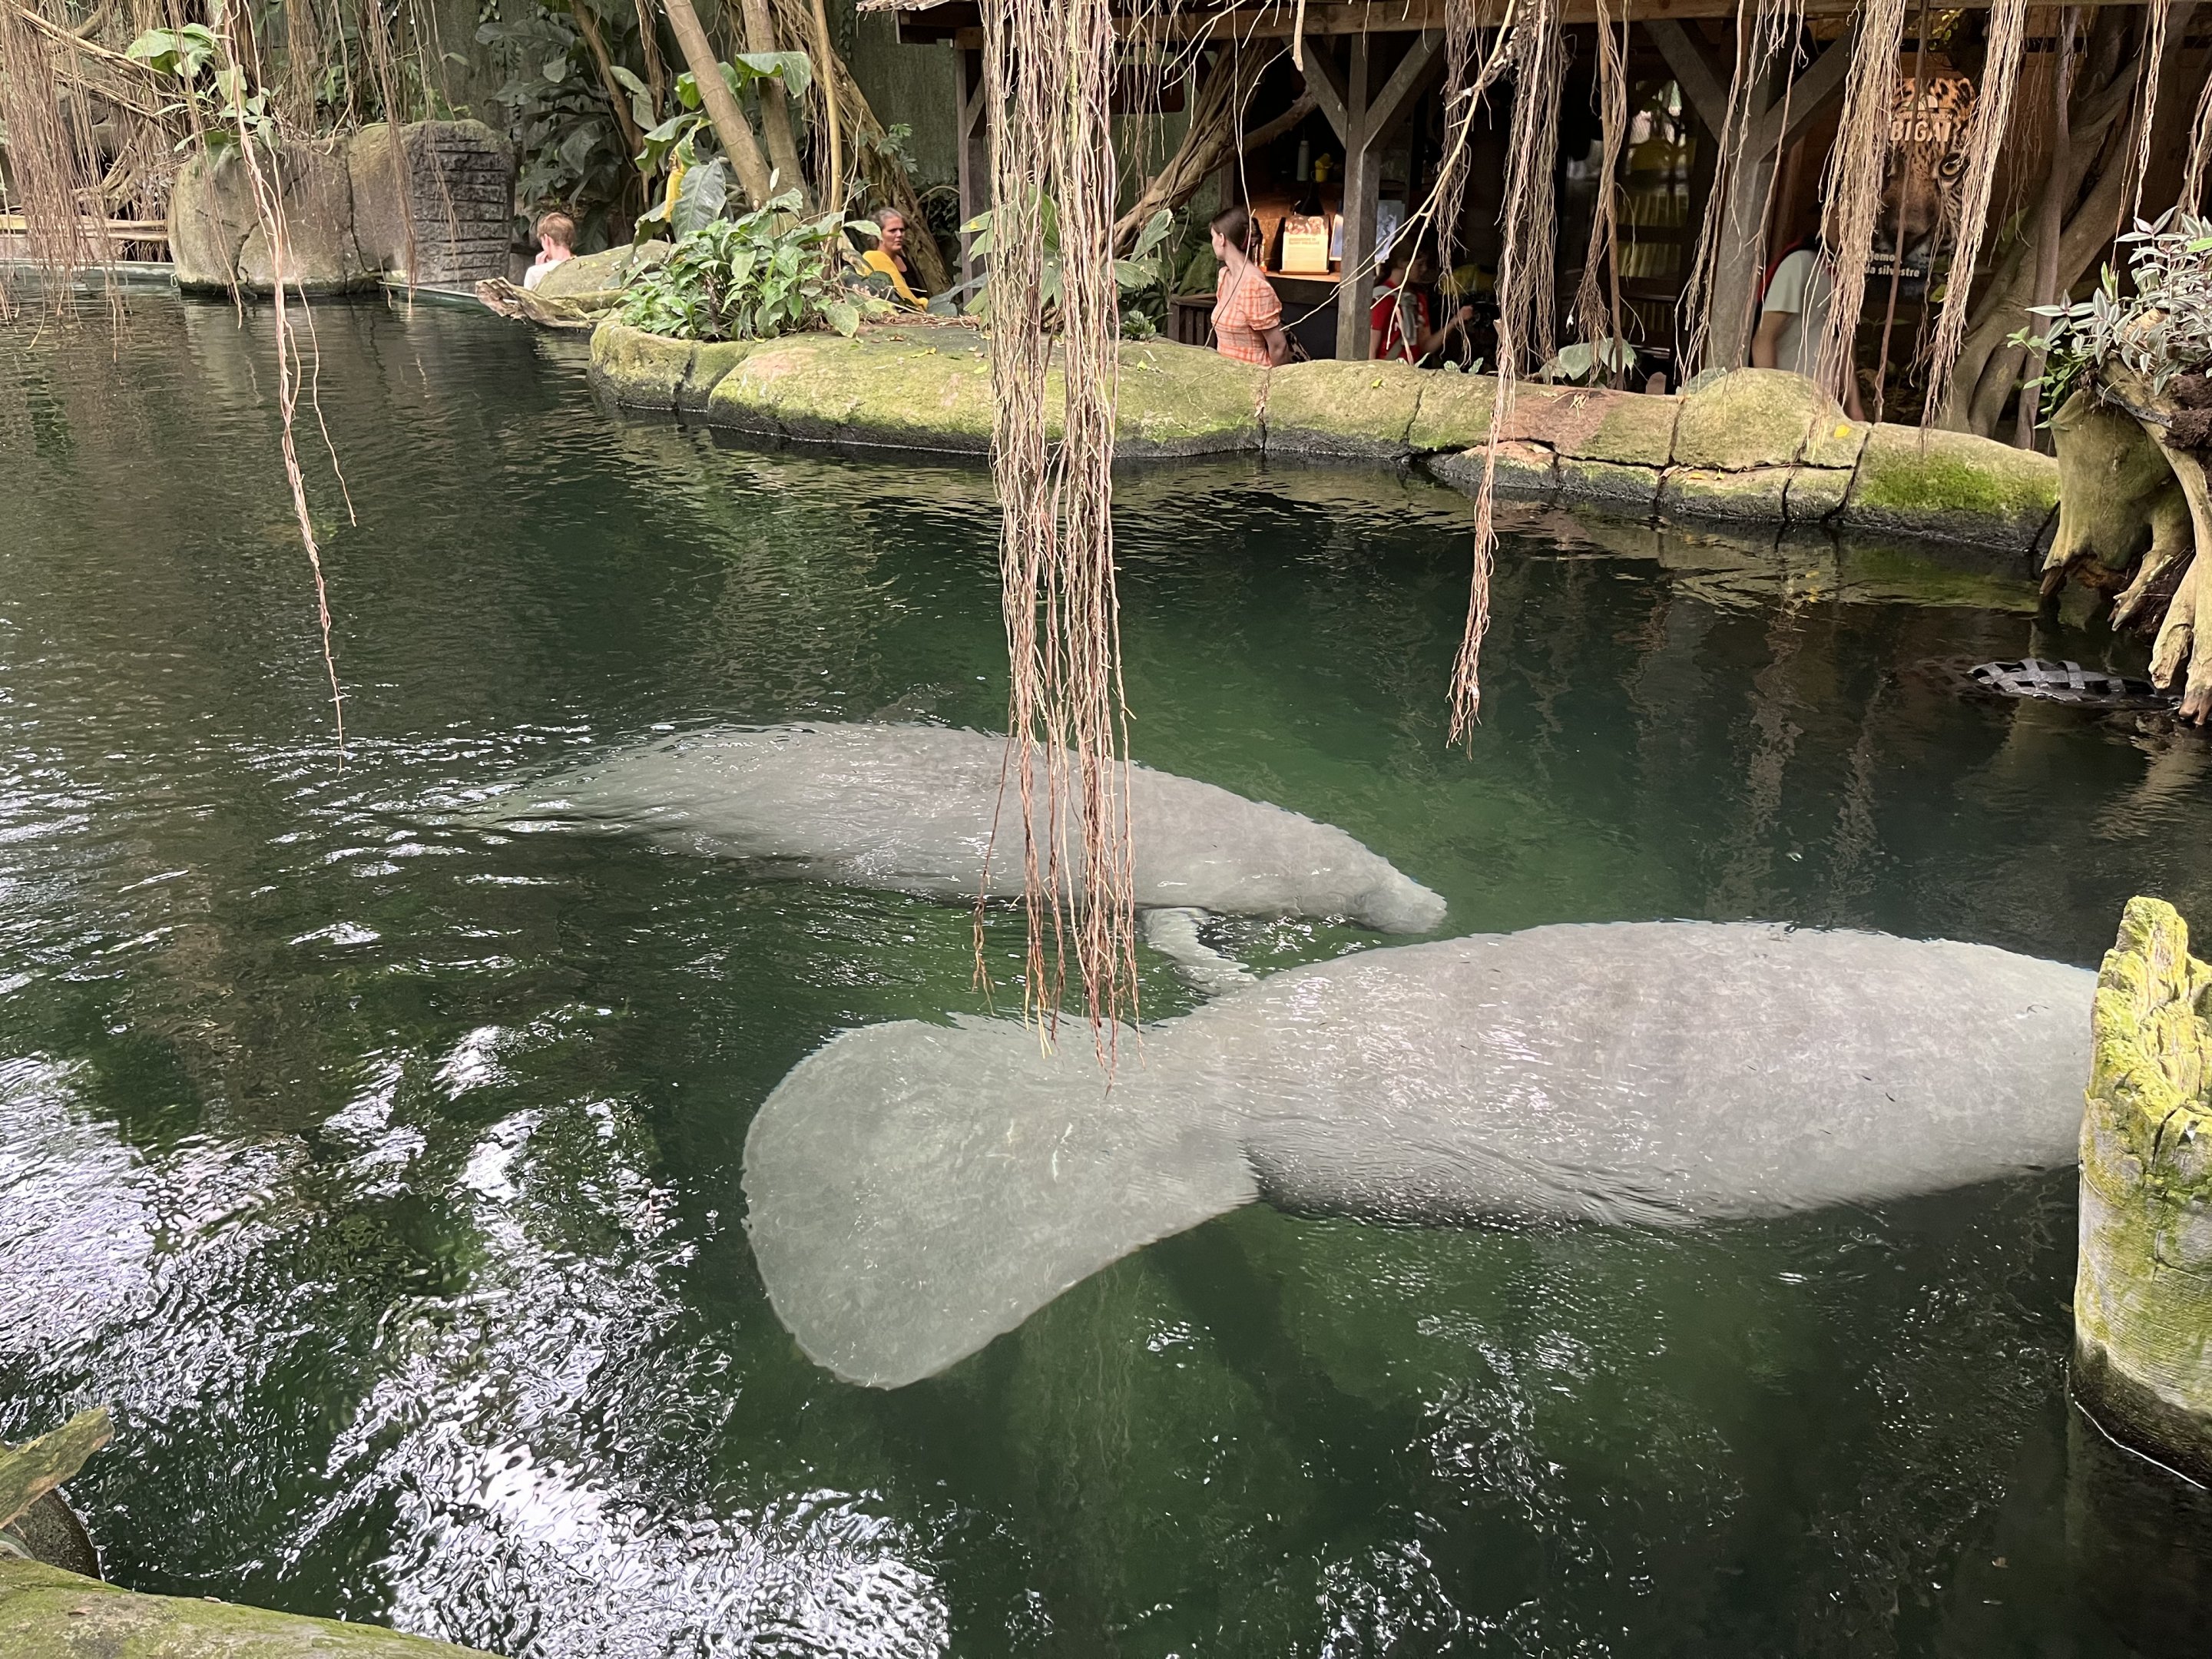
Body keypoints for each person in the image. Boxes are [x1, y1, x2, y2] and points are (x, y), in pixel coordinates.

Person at [1752, 236, 1866, 420]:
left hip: (1825, 402)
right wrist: (1771, 402)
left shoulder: (1839, 272)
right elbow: (1763, 339)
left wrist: (1853, 407)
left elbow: (1843, 339)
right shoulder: (1798, 263)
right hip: (1792, 400)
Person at [1208, 204, 1290, 367]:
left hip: (1254, 375)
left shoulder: (1254, 285)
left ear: (1222, 239)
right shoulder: (1224, 276)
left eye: (1213, 236)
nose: (1212, 242)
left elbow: (1279, 347)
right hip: (1226, 375)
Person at [1369, 247, 1474, 363]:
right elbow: (1371, 350)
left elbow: (1425, 347)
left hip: (1410, 373)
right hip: (1384, 374)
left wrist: (1455, 321)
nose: (1424, 269)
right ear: (1402, 263)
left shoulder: (1418, 299)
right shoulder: (1381, 298)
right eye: (1420, 264)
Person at [862, 209, 926, 310]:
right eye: (893, 231)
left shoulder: (905, 261)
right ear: (878, 234)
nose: (899, 234)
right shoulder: (872, 259)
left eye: (902, 230)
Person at [522, 210, 575, 290]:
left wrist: (538, 270)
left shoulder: (534, 272)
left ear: (547, 239)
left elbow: (529, 301)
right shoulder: (584, 266)